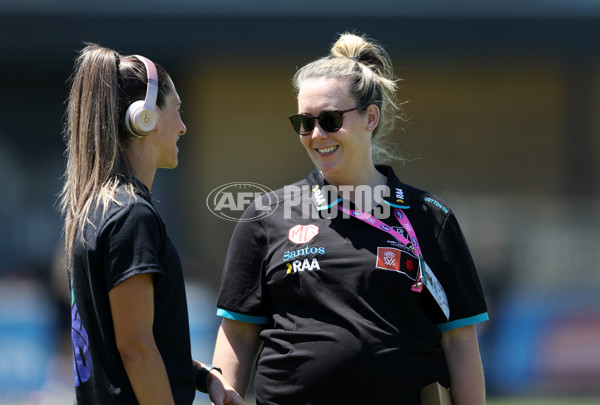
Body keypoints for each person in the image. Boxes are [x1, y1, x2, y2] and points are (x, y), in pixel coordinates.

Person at [212, 32, 489, 404]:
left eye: (329, 119)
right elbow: (238, 332)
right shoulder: (266, 215)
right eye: (303, 122)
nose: (316, 135)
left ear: (370, 117)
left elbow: (458, 339)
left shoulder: (430, 218)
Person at [59, 44, 244, 405]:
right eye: (176, 111)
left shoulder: (100, 209)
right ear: (144, 118)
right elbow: (136, 349)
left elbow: (131, 341)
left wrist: (203, 377)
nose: (183, 127)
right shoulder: (131, 216)